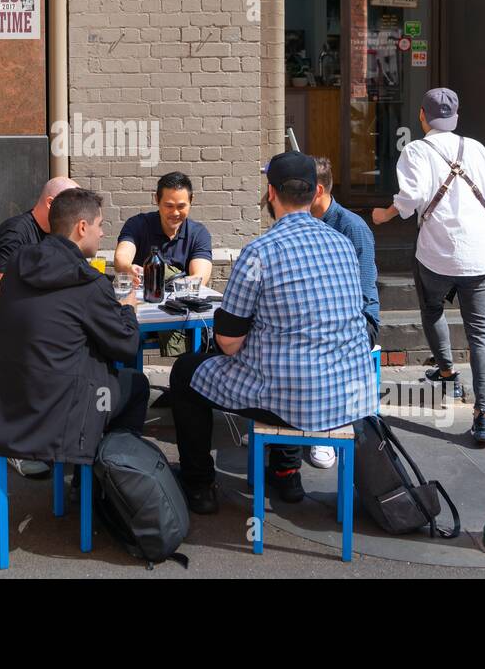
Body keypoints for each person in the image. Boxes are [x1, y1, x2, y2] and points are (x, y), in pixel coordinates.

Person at [168, 151, 378, 514]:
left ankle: (199, 485)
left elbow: (228, 342)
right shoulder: (344, 244)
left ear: (270, 193)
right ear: (316, 193)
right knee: (287, 367)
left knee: (185, 372)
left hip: (288, 401)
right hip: (347, 398)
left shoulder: (259, 253)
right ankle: (285, 473)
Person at [371, 88, 485, 447]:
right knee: (481, 332)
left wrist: (383, 215)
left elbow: (411, 198)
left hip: (436, 253)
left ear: (421, 116)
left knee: (432, 308)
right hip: (479, 253)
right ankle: (483, 415)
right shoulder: (476, 148)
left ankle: (447, 370)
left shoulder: (417, 149)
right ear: (456, 117)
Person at [0, 188, 149, 473]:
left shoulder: (18, 267)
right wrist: (128, 308)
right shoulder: (89, 282)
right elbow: (126, 345)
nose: (102, 233)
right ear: (82, 227)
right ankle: (105, 482)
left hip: (4, 413)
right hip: (58, 422)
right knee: (137, 385)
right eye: (100, 225)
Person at [0, 175, 78, 478]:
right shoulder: (15, 232)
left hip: (39, 321)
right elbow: (5, 289)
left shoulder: (60, 236)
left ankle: (65, 428)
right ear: (51, 203)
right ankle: (14, 442)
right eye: (72, 205)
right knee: (40, 350)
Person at [306, 155, 380, 469]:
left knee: (321, 343)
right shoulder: (302, 222)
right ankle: (277, 419)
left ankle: (326, 429)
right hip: (313, 317)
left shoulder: (352, 228)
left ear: (318, 190)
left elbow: (361, 297)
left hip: (358, 320)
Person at [114, 171, 214, 359]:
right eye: (168, 205)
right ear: (156, 200)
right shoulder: (138, 224)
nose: (175, 213)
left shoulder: (198, 233)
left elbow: (200, 276)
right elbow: (120, 258)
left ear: (191, 201)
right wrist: (129, 268)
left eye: (181, 206)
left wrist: (171, 283)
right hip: (141, 312)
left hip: (177, 313)